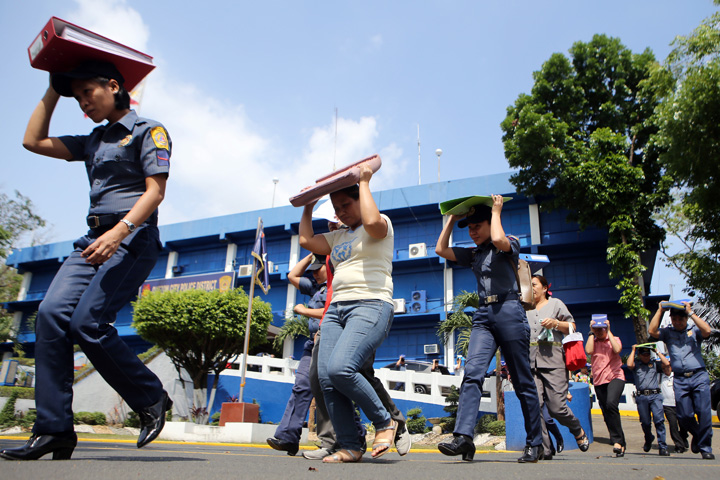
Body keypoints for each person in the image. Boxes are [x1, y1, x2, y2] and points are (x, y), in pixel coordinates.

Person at [1, 61, 171, 461]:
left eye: (87, 93)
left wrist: (120, 232)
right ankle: (54, 430)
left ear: (113, 86)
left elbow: (155, 191)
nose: (82, 103)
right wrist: (53, 91)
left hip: (132, 237)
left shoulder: (148, 131)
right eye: (76, 97)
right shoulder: (92, 141)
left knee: (87, 322)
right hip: (92, 240)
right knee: (50, 314)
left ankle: (151, 399)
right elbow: (32, 141)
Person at [298, 163, 397, 463]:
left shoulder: (380, 224)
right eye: (336, 207)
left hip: (371, 304)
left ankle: (385, 422)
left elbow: (371, 220)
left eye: (346, 204)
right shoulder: (338, 237)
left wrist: (364, 181)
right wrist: (308, 207)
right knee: (327, 378)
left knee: (342, 368)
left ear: (360, 199)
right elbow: (306, 241)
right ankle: (350, 445)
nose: (340, 212)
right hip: (335, 310)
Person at [434, 196, 544, 463]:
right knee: (472, 373)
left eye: (476, 226)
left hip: (509, 310)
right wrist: (451, 220)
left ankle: (535, 443)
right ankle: (464, 438)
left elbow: (498, 239)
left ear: (490, 222)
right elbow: (440, 249)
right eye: (469, 228)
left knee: (521, 380)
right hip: (483, 315)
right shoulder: (474, 254)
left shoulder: (509, 244)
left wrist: (496, 211)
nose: (472, 232)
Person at [267, 254, 327, 455]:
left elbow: (332, 311)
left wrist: (304, 311)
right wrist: (311, 255)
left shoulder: (338, 286)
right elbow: (292, 275)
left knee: (335, 392)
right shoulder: (314, 287)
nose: (313, 272)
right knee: (301, 387)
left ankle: (354, 438)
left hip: (331, 343)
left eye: (318, 268)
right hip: (312, 344)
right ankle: (288, 437)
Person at [527, 275, 589, 459]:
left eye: (534, 285)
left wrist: (556, 323)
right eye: (529, 286)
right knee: (534, 407)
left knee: (557, 408)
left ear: (545, 288)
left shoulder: (556, 304)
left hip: (554, 363)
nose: (532, 288)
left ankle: (577, 430)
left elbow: (572, 327)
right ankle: (544, 448)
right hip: (531, 364)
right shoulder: (525, 307)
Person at [649, 302, 715, 460]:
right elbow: (652, 330)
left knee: (704, 413)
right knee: (684, 415)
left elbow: (707, 331)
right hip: (680, 378)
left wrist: (691, 313)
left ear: (686, 319)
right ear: (671, 319)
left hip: (699, 375)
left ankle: (705, 448)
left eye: (681, 319)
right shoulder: (667, 333)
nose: (678, 322)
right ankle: (698, 436)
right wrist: (659, 310)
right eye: (675, 319)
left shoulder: (694, 330)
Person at [586, 314, 626, 457]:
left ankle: (618, 441)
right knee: (606, 411)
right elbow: (589, 351)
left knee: (611, 404)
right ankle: (620, 441)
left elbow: (617, 349)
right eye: (597, 329)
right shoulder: (593, 341)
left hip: (615, 377)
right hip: (599, 380)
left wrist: (608, 330)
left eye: (601, 329)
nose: (599, 331)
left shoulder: (614, 339)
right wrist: (591, 331)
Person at [627, 345, 670, 456]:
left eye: (648, 354)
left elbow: (667, 364)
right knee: (645, 422)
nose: (646, 357)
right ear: (640, 355)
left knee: (659, 421)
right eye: (644, 355)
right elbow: (629, 364)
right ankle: (648, 438)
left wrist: (657, 351)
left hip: (655, 396)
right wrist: (633, 350)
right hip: (642, 397)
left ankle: (663, 446)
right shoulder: (637, 365)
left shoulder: (654, 364)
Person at [660, 362, 689, 454]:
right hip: (667, 405)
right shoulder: (660, 377)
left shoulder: (677, 376)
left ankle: (683, 437)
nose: (665, 370)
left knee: (684, 424)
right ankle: (679, 445)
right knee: (673, 425)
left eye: (667, 367)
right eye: (663, 368)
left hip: (680, 404)